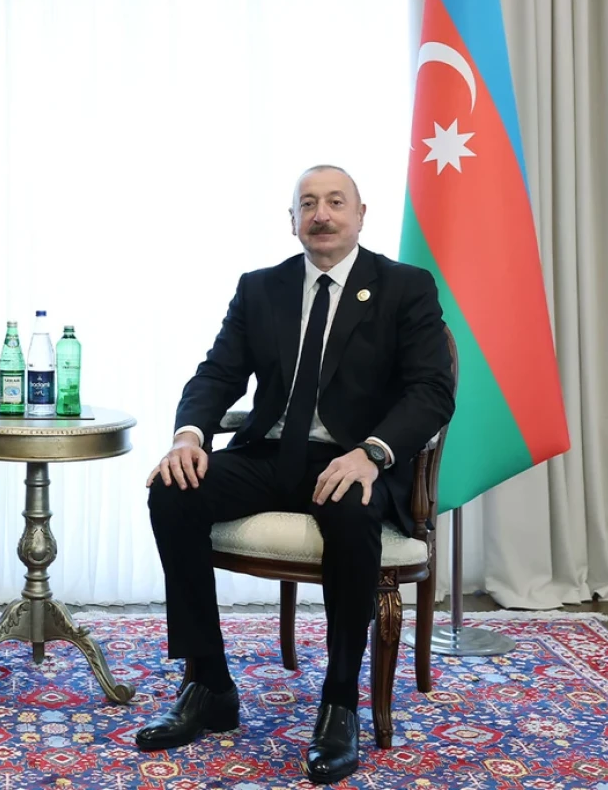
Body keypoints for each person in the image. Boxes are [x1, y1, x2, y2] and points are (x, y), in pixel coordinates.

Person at [135, 165, 455, 784]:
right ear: (292, 221)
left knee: (350, 508)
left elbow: (431, 391)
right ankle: (209, 684)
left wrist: (373, 453)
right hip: (271, 453)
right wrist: (188, 436)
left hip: (352, 461)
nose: (321, 215)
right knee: (173, 491)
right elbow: (217, 374)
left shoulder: (404, 286)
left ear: (361, 215)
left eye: (335, 202)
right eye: (307, 204)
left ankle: (339, 703)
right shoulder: (262, 288)